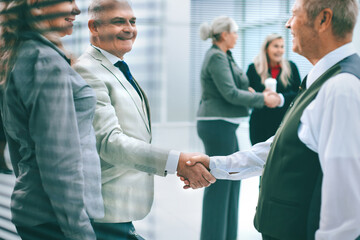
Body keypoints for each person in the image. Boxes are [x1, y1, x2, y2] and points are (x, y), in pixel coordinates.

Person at [184, 0, 360, 239]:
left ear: (323, 20)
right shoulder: (322, 79)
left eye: (294, 15)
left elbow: (344, 205)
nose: (288, 24)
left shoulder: (342, 87)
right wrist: (216, 164)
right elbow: (278, 147)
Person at [72, 0, 216, 239]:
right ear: (94, 27)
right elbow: (109, 141)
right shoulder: (87, 70)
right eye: (119, 22)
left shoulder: (116, 67)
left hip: (120, 208)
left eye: (133, 21)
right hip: (104, 210)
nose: (129, 28)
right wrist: (176, 161)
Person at [0, 0, 104, 239]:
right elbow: (60, 161)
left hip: (39, 209)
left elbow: (19, 151)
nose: (77, 9)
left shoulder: (21, 52)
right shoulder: (45, 61)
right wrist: (80, 232)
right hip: (56, 219)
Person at [196, 16, 280, 240]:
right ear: (224, 34)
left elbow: (235, 87)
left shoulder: (226, 56)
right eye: (234, 32)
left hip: (225, 125)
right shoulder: (216, 57)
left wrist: (251, 93)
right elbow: (230, 94)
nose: (237, 35)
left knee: (231, 182)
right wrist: (263, 99)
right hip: (216, 125)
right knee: (218, 184)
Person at [247, 33, 301, 145]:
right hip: (259, 123)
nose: (279, 50)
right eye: (276, 46)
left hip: (284, 123)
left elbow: (299, 94)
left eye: (282, 47)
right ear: (266, 48)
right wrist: (261, 96)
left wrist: (280, 99)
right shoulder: (253, 68)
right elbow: (247, 94)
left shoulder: (291, 67)